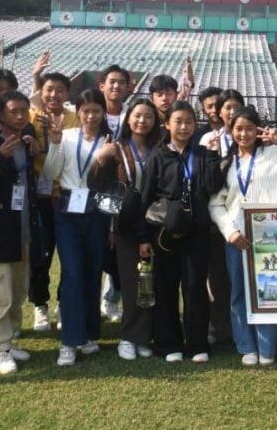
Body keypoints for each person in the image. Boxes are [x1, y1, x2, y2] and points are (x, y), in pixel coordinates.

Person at [209, 106, 277, 366]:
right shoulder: (226, 164)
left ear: (258, 130)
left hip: (272, 237)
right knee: (239, 292)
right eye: (238, 129)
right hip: (238, 237)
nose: (243, 134)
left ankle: (267, 347)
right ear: (230, 131)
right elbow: (216, 203)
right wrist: (230, 232)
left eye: (249, 128)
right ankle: (246, 345)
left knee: (269, 291)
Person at [141, 101, 223, 363]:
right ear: (167, 124)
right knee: (166, 286)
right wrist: (144, 238)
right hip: (164, 232)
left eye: (189, 122)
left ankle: (197, 343)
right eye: (178, 121)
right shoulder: (157, 156)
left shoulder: (202, 154)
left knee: (194, 286)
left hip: (197, 230)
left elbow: (212, 187)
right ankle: (168, 343)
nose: (184, 127)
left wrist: (213, 156)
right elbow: (145, 197)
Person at [0, 91, 44, 375]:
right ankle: (0, 348)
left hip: (23, 229)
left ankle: (11, 340)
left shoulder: (26, 143)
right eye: (13, 111)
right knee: (0, 292)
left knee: (18, 289)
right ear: (1, 114)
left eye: (24, 111)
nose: (20, 116)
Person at [42, 89, 113, 367]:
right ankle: (69, 342)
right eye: (85, 111)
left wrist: (112, 225)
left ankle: (88, 334)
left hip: (98, 211)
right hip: (68, 210)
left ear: (103, 112)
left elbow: (113, 187)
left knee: (92, 272)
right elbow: (50, 173)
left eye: (96, 111)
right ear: (78, 112)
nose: (91, 116)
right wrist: (55, 144)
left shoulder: (110, 141)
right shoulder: (67, 136)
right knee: (72, 273)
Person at [90, 99, 163, 361]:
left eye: (148, 117)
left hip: (156, 224)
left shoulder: (159, 148)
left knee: (151, 283)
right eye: (138, 116)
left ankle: (144, 336)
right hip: (126, 225)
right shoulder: (117, 148)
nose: (143, 121)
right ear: (128, 118)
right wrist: (101, 158)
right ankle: (128, 337)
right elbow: (97, 184)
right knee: (132, 283)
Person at [28, 71, 78, 332]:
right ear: (41, 92)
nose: (54, 94)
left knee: (69, 254)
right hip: (41, 197)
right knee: (41, 255)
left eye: (59, 90)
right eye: (49, 89)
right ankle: (40, 305)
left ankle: (62, 302)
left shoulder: (75, 118)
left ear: (67, 93)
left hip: (68, 196)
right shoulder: (31, 117)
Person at [200, 88, 245, 347]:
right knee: (217, 277)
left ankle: (241, 326)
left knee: (240, 278)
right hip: (215, 218)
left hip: (241, 217)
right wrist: (211, 155)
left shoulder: (249, 136)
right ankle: (220, 327)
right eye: (227, 108)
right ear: (219, 112)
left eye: (236, 107)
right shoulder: (208, 138)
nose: (232, 112)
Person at [97, 65, 130, 322]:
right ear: (102, 86)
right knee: (95, 248)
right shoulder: (91, 113)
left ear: (128, 87)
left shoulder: (132, 116)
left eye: (121, 82)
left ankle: (111, 298)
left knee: (119, 246)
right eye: (112, 82)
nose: (116, 86)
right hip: (94, 187)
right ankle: (69, 303)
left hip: (123, 189)